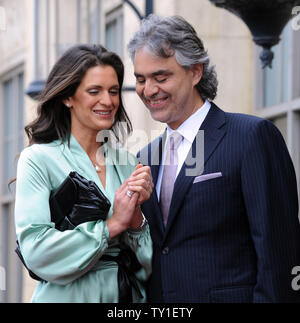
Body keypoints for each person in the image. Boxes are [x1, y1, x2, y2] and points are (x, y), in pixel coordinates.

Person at [127, 14, 300, 303]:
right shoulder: (144, 157)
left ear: (195, 72)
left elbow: (278, 255)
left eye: (161, 77)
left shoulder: (251, 137)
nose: (149, 90)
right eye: (141, 79)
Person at [14, 44, 153, 303]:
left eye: (113, 91)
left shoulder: (128, 163)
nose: (108, 101)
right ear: (68, 97)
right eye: (94, 91)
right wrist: (113, 225)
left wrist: (135, 220)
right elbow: (36, 251)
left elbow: (149, 264)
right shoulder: (38, 160)